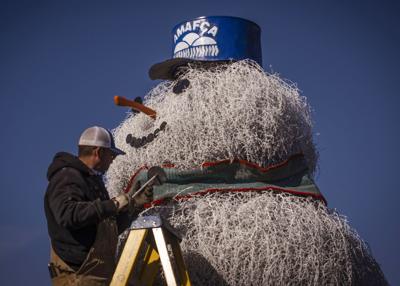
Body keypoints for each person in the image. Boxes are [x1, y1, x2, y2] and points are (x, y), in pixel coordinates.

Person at [44, 126, 152, 285]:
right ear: (98, 152)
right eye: (112, 154)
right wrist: (114, 204)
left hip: (101, 275)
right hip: (79, 277)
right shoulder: (67, 176)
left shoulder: (92, 182)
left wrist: (133, 206)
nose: (113, 159)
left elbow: (107, 230)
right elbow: (68, 214)